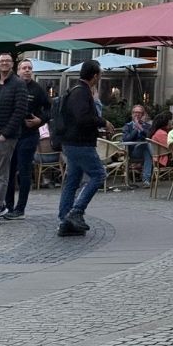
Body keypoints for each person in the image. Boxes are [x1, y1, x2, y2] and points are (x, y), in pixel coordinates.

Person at [58, 61, 106, 236]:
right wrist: (103, 122)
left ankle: (65, 222)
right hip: (80, 143)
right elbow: (82, 118)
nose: (100, 77)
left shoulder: (76, 89)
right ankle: (76, 211)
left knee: (72, 180)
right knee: (99, 175)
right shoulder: (81, 92)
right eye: (99, 74)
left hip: (71, 142)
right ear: (95, 76)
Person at [0, 53, 29, 225]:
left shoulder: (18, 84)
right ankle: (0, 205)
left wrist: (6, 133)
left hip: (5, 137)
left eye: (7, 61)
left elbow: (20, 111)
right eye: (1, 61)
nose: (4, 63)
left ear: (12, 64)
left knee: (2, 174)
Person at [4, 58, 51, 219]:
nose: (27, 70)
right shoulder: (11, 86)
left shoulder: (37, 89)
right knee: (8, 172)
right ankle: (8, 206)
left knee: (24, 172)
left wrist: (40, 120)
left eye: (29, 68)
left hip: (29, 135)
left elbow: (49, 109)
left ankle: (20, 208)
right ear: (17, 71)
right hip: (11, 136)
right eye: (24, 68)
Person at [121, 104, 153, 184]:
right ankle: (146, 179)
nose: (137, 114)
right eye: (135, 112)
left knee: (146, 149)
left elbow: (149, 136)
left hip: (145, 151)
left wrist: (141, 128)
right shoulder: (127, 126)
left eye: (139, 112)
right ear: (132, 114)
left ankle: (146, 179)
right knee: (146, 147)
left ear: (143, 114)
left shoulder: (147, 126)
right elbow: (126, 139)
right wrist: (136, 129)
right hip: (132, 152)